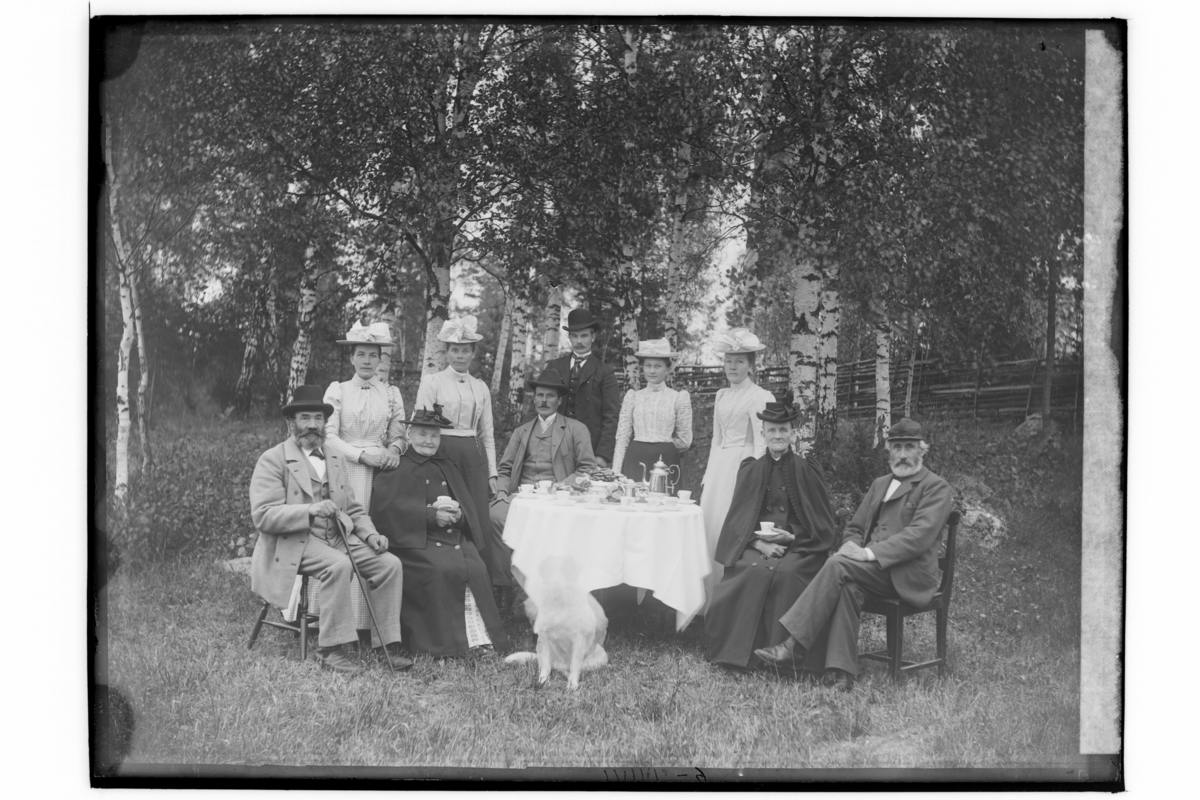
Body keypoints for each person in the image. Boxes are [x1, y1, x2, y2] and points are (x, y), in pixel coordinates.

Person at [754, 418, 954, 691]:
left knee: (837, 565)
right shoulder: (880, 484)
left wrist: (867, 553)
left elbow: (919, 536)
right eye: (897, 448)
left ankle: (794, 645)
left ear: (922, 450)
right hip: (874, 573)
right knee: (847, 586)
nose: (903, 455)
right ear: (888, 450)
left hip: (908, 574)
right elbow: (855, 528)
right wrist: (852, 547)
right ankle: (842, 675)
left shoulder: (935, 487)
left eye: (909, 447)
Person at [248, 385, 410, 674]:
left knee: (389, 564)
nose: (312, 425)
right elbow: (263, 515)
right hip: (294, 540)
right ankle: (331, 650)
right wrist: (309, 510)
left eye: (318, 418)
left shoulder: (334, 456)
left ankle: (387, 645)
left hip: (337, 536)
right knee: (338, 565)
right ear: (291, 422)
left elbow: (353, 508)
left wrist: (370, 534)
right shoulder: (273, 459)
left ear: (325, 423)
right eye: (305, 418)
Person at [704, 402, 838, 670]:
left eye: (783, 430)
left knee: (788, 575)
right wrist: (757, 542)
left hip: (800, 547)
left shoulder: (807, 469)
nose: (778, 435)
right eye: (772, 430)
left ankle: (786, 659)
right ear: (763, 433)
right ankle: (739, 657)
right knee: (750, 572)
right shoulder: (750, 469)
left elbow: (823, 523)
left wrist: (792, 537)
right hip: (757, 545)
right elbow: (737, 521)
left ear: (793, 434)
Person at [369, 407, 510, 657]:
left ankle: (481, 640)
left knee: (476, 567)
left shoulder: (447, 465)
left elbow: (467, 506)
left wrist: (459, 516)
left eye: (434, 436)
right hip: (414, 542)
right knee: (442, 568)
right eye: (423, 435)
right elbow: (386, 513)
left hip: (452, 536)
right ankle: (449, 645)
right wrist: (431, 516)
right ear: (410, 435)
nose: (429, 441)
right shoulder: (397, 466)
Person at [414, 315, 509, 602]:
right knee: (446, 510)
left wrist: (491, 472)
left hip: (473, 457)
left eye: (465, 350)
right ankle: (445, 583)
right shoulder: (432, 382)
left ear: (473, 353)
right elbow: (420, 425)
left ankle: (480, 588)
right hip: (441, 452)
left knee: (476, 517)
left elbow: (487, 433)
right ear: (446, 352)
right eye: (455, 350)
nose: (460, 355)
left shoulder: (480, 387)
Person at [699, 328, 775, 600]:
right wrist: (708, 475)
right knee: (708, 525)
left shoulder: (759, 396)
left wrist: (755, 476)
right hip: (719, 467)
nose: (732, 366)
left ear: (751, 366)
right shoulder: (721, 395)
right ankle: (707, 599)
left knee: (728, 525)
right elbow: (716, 440)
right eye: (728, 360)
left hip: (742, 466)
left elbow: (762, 442)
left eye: (739, 361)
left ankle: (729, 598)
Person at [489, 368, 597, 538]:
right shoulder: (521, 432)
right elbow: (505, 469)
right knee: (495, 516)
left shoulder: (577, 429)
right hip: (521, 496)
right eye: (540, 395)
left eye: (550, 396)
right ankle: (512, 556)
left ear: (559, 401)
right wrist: (502, 491)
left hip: (558, 498)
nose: (544, 401)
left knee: (553, 526)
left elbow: (588, 469)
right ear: (534, 399)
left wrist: (562, 487)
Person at [322, 321, 408, 511]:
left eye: (372, 356)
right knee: (345, 516)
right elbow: (328, 437)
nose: (367, 361)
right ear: (352, 358)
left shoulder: (391, 393)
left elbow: (398, 432)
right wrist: (362, 456)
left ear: (379, 360)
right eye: (361, 355)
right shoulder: (338, 390)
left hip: (380, 466)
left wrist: (394, 450)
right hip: (343, 461)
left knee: (376, 517)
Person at [611, 338, 693, 485]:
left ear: (668, 368)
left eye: (658, 366)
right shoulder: (633, 397)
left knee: (663, 497)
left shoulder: (678, 398)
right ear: (642, 367)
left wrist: (664, 445)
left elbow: (684, 441)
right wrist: (616, 472)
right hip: (635, 458)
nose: (652, 371)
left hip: (666, 460)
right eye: (648, 365)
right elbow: (622, 437)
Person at [545, 308, 619, 468]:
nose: (579, 341)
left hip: (589, 448)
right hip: (554, 445)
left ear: (593, 337)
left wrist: (602, 454)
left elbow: (611, 417)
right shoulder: (554, 367)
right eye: (575, 336)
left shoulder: (605, 372)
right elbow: (539, 405)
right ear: (569, 337)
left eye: (584, 336)